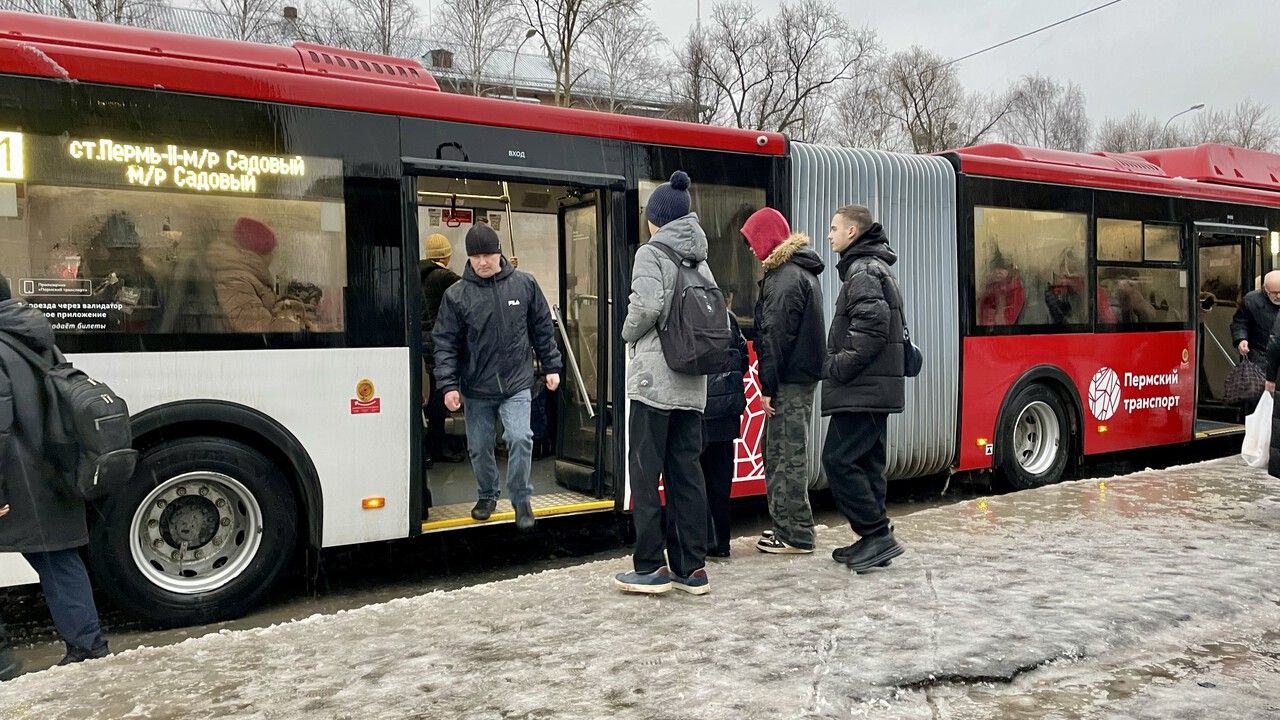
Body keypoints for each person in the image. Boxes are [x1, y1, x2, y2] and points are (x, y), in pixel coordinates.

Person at [0, 273, 110, 678]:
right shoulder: (33, 335)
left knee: (56, 559)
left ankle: (83, 648)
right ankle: (88, 645)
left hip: (20, 476)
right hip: (51, 465)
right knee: (58, 557)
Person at [614, 171, 715, 595]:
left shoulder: (650, 253)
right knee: (686, 474)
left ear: (656, 219)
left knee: (645, 473)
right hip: (692, 383)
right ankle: (692, 568)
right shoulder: (700, 257)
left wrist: (626, 333)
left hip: (654, 383)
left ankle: (650, 565)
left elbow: (647, 306)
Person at [432, 223, 562, 530]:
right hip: (476, 387)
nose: (482, 262)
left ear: (499, 253)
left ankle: (520, 498)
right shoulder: (456, 295)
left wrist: (551, 366)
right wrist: (448, 386)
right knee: (479, 447)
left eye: (487, 255)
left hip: (516, 383)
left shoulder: (524, 285)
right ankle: (487, 495)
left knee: (520, 437)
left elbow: (542, 328)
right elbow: (445, 343)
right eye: (475, 256)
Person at [821, 205, 907, 572]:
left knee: (837, 459)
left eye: (834, 228)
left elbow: (872, 327)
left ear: (852, 232)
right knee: (868, 461)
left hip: (862, 388)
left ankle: (876, 534)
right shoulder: (873, 267)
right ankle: (875, 537)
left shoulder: (863, 270)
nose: (829, 235)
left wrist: (837, 366)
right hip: (874, 388)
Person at [740, 207, 825, 555]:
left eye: (752, 240)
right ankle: (788, 526)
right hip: (797, 379)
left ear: (766, 238)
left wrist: (768, 388)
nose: (750, 248)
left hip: (788, 382)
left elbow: (774, 338)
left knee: (785, 456)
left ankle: (795, 534)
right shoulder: (799, 273)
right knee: (782, 452)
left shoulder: (784, 278)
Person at [207, 217, 312, 333]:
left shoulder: (248, 275)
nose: (273, 256)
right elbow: (262, 331)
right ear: (260, 253)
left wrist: (289, 305)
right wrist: (292, 317)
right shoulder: (236, 282)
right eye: (271, 251)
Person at [699, 310, 748, 559]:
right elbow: (744, 360)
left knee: (696, 479)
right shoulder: (729, 317)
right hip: (727, 411)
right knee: (720, 480)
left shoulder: (688, 313)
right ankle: (721, 543)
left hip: (700, 411)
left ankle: (702, 542)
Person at [419, 234, 464, 466]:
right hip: (440, 343)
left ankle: (434, 443)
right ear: (446, 255)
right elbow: (472, 288)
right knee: (441, 394)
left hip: (425, 342)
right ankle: (437, 445)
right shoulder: (442, 276)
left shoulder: (420, 274)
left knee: (437, 391)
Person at [1231, 271, 1280, 363]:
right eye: (1274, 293)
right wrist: (1241, 339)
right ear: (1265, 289)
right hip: (1260, 353)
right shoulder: (1251, 300)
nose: (1278, 296)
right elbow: (1240, 323)